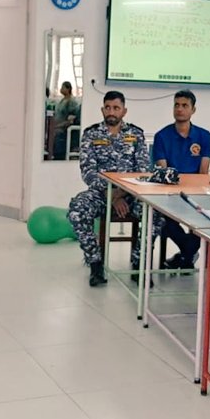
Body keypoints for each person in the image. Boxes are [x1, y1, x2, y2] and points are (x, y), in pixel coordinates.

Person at [68, 91, 154, 287]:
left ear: (124, 111)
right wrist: (111, 195)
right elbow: (88, 172)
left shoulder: (136, 134)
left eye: (116, 108)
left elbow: (142, 171)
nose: (111, 112)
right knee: (76, 211)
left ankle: (138, 262)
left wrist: (121, 193)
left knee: (154, 214)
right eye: (107, 107)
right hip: (100, 194)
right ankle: (95, 263)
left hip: (131, 194)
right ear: (102, 109)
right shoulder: (91, 134)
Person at [151, 90, 210, 270]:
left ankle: (184, 256)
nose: (179, 109)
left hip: (195, 192)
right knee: (163, 220)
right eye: (176, 105)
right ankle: (188, 253)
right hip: (169, 193)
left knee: (208, 217)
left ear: (193, 110)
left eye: (184, 105)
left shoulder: (204, 136)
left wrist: (196, 191)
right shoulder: (161, 136)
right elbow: (164, 172)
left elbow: (203, 172)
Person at [52, 81, 82, 160]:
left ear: (68, 89)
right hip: (57, 130)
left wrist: (60, 126)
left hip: (63, 132)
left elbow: (71, 119)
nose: (61, 89)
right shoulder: (62, 101)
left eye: (63, 87)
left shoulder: (71, 102)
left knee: (60, 154)